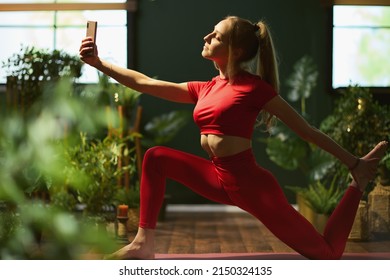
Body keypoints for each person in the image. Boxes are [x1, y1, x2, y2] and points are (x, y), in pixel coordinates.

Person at [79, 16, 388, 260]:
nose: (206, 37)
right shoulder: (207, 87)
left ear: (235, 51)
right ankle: (143, 243)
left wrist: (353, 162)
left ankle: (357, 182)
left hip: (252, 186)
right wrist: (99, 63)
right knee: (156, 157)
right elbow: (145, 83)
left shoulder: (256, 89)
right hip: (218, 177)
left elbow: (306, 130)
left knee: (327, 254)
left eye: (216, 35)